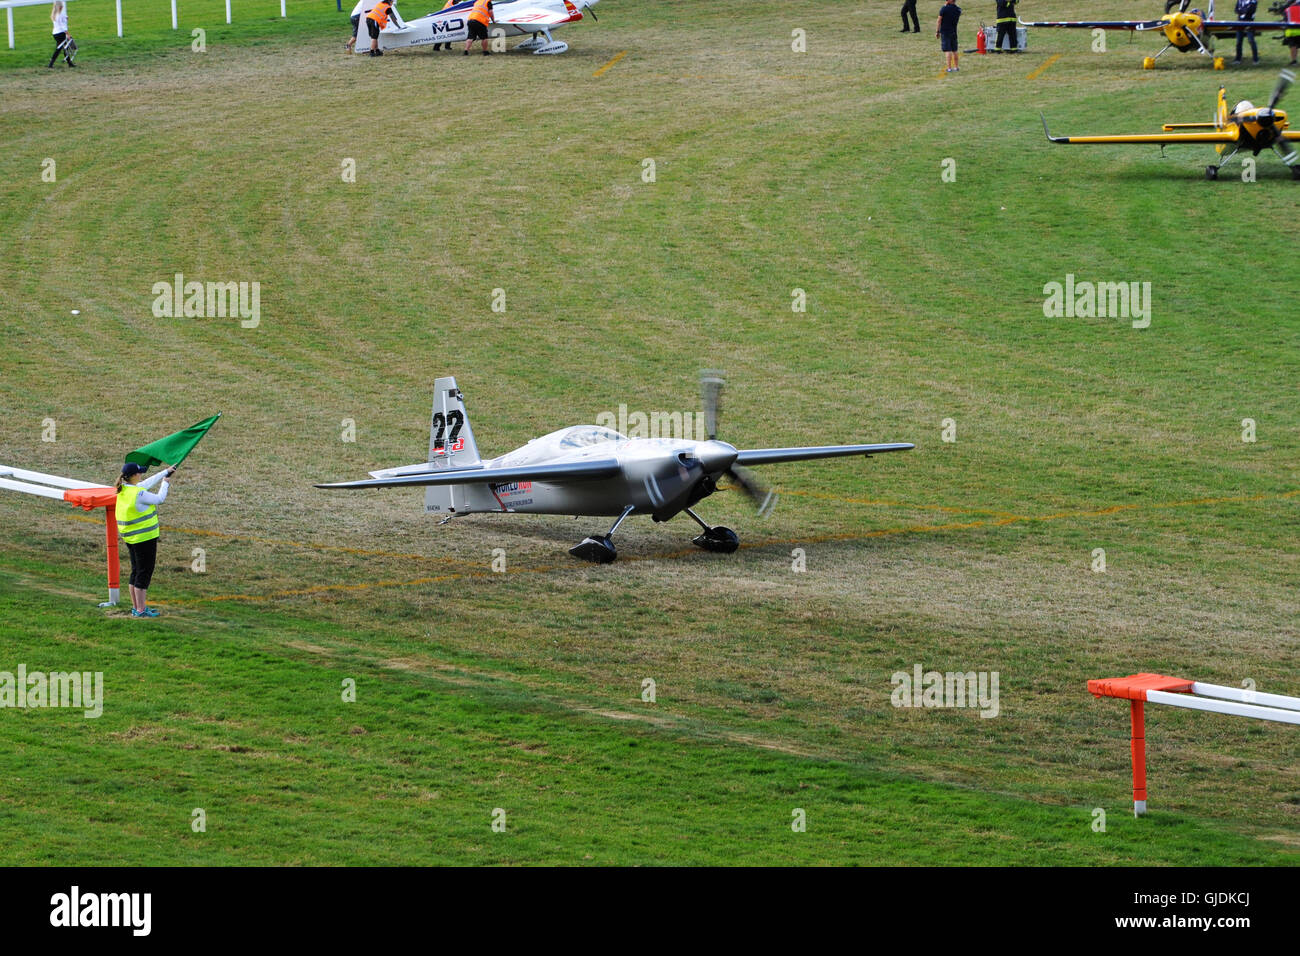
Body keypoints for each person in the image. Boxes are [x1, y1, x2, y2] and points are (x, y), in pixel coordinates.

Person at [115, 461, 177, 618]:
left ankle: (136, 607)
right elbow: (159, 499)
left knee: (136, 571)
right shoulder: (139, 494)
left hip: (131, 537)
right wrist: (166, 482)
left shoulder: (124, 489)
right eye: (139, 472)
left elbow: (145, 483)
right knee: (144, 573)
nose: (141, 474)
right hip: (144, 539)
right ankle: (141, 610)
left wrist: (165, 472)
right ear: (134, 476)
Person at [48, 1, 75, 69]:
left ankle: (69, 63)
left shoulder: (54, 14)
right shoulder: (60, 14)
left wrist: (65, 18)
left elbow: (60, 22)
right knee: (62, 48)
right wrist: (68, 34)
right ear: (60, 6)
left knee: (63, 48)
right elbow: (63, 26)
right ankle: (51, 64)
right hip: (61, 33)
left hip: (55, 33)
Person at [937, 0, 962, 72]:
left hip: (945, 32)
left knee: (947, 50)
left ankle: (949, 68)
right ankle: (956, 67)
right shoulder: (958, 9)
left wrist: (937, 31)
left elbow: (939, 20)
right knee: (955, 50)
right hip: (954, 31)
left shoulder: (944, 9)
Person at [1285, 0, 1300, 65]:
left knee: (1293, 46)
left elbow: (1286, 21)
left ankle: (1294, 61)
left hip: (1291, 31)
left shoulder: (1287, 10)